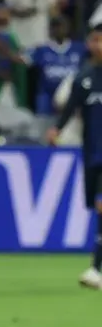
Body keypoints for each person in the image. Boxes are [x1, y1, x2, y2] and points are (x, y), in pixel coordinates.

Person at [47, 23, 102, 290]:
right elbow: (70, 108)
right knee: (97, 208)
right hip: (92, 152)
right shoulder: (84, 78)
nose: (97, 45)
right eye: (94, 40)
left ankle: (96, 268)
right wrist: (56, 129)